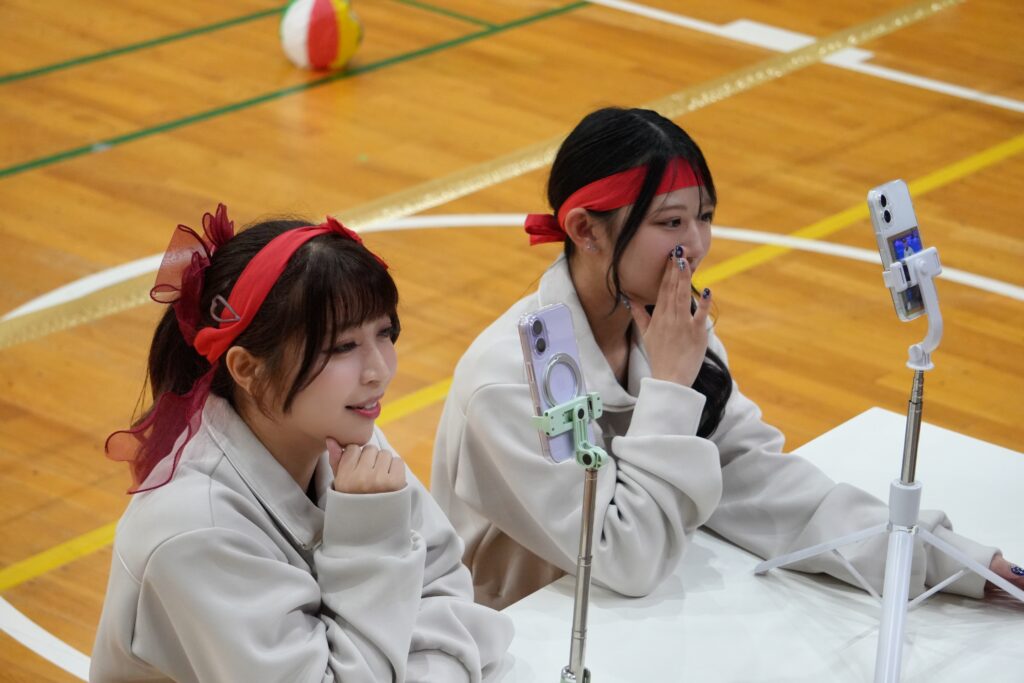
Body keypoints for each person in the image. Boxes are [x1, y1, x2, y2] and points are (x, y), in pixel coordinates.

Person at [430, 106, 1024, 610]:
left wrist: (962, 564)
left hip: (633, 624)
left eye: (705, 217)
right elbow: (623, 556)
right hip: (528, 641)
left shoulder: (675, 331)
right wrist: (670, 387)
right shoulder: (507, 382)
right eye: (671, 222)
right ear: (586, 230)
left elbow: (761, 485)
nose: (696, 245)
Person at [91, 206, 513, 682]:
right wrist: (369, 537)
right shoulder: (194, 529)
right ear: (248, 369)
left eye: (384, 333)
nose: (379, 370)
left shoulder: (343, 435)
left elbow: (449, 597)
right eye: (343, 347)